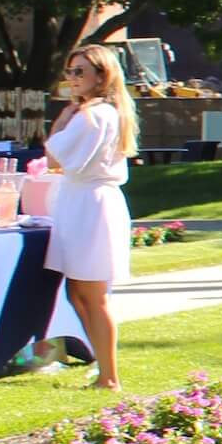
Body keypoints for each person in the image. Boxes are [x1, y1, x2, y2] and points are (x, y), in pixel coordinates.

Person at [42, 43, 137, 390]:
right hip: (83, 204)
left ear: (102, 75)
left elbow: (56, 158)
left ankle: (109, 376)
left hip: (91, 208)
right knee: (79, 294)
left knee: (92, 296)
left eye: (80, 71)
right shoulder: (101, 113)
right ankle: (103, 367)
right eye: (70, 71)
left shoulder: (93, 115)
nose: (73, 78)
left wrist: (63, 120)